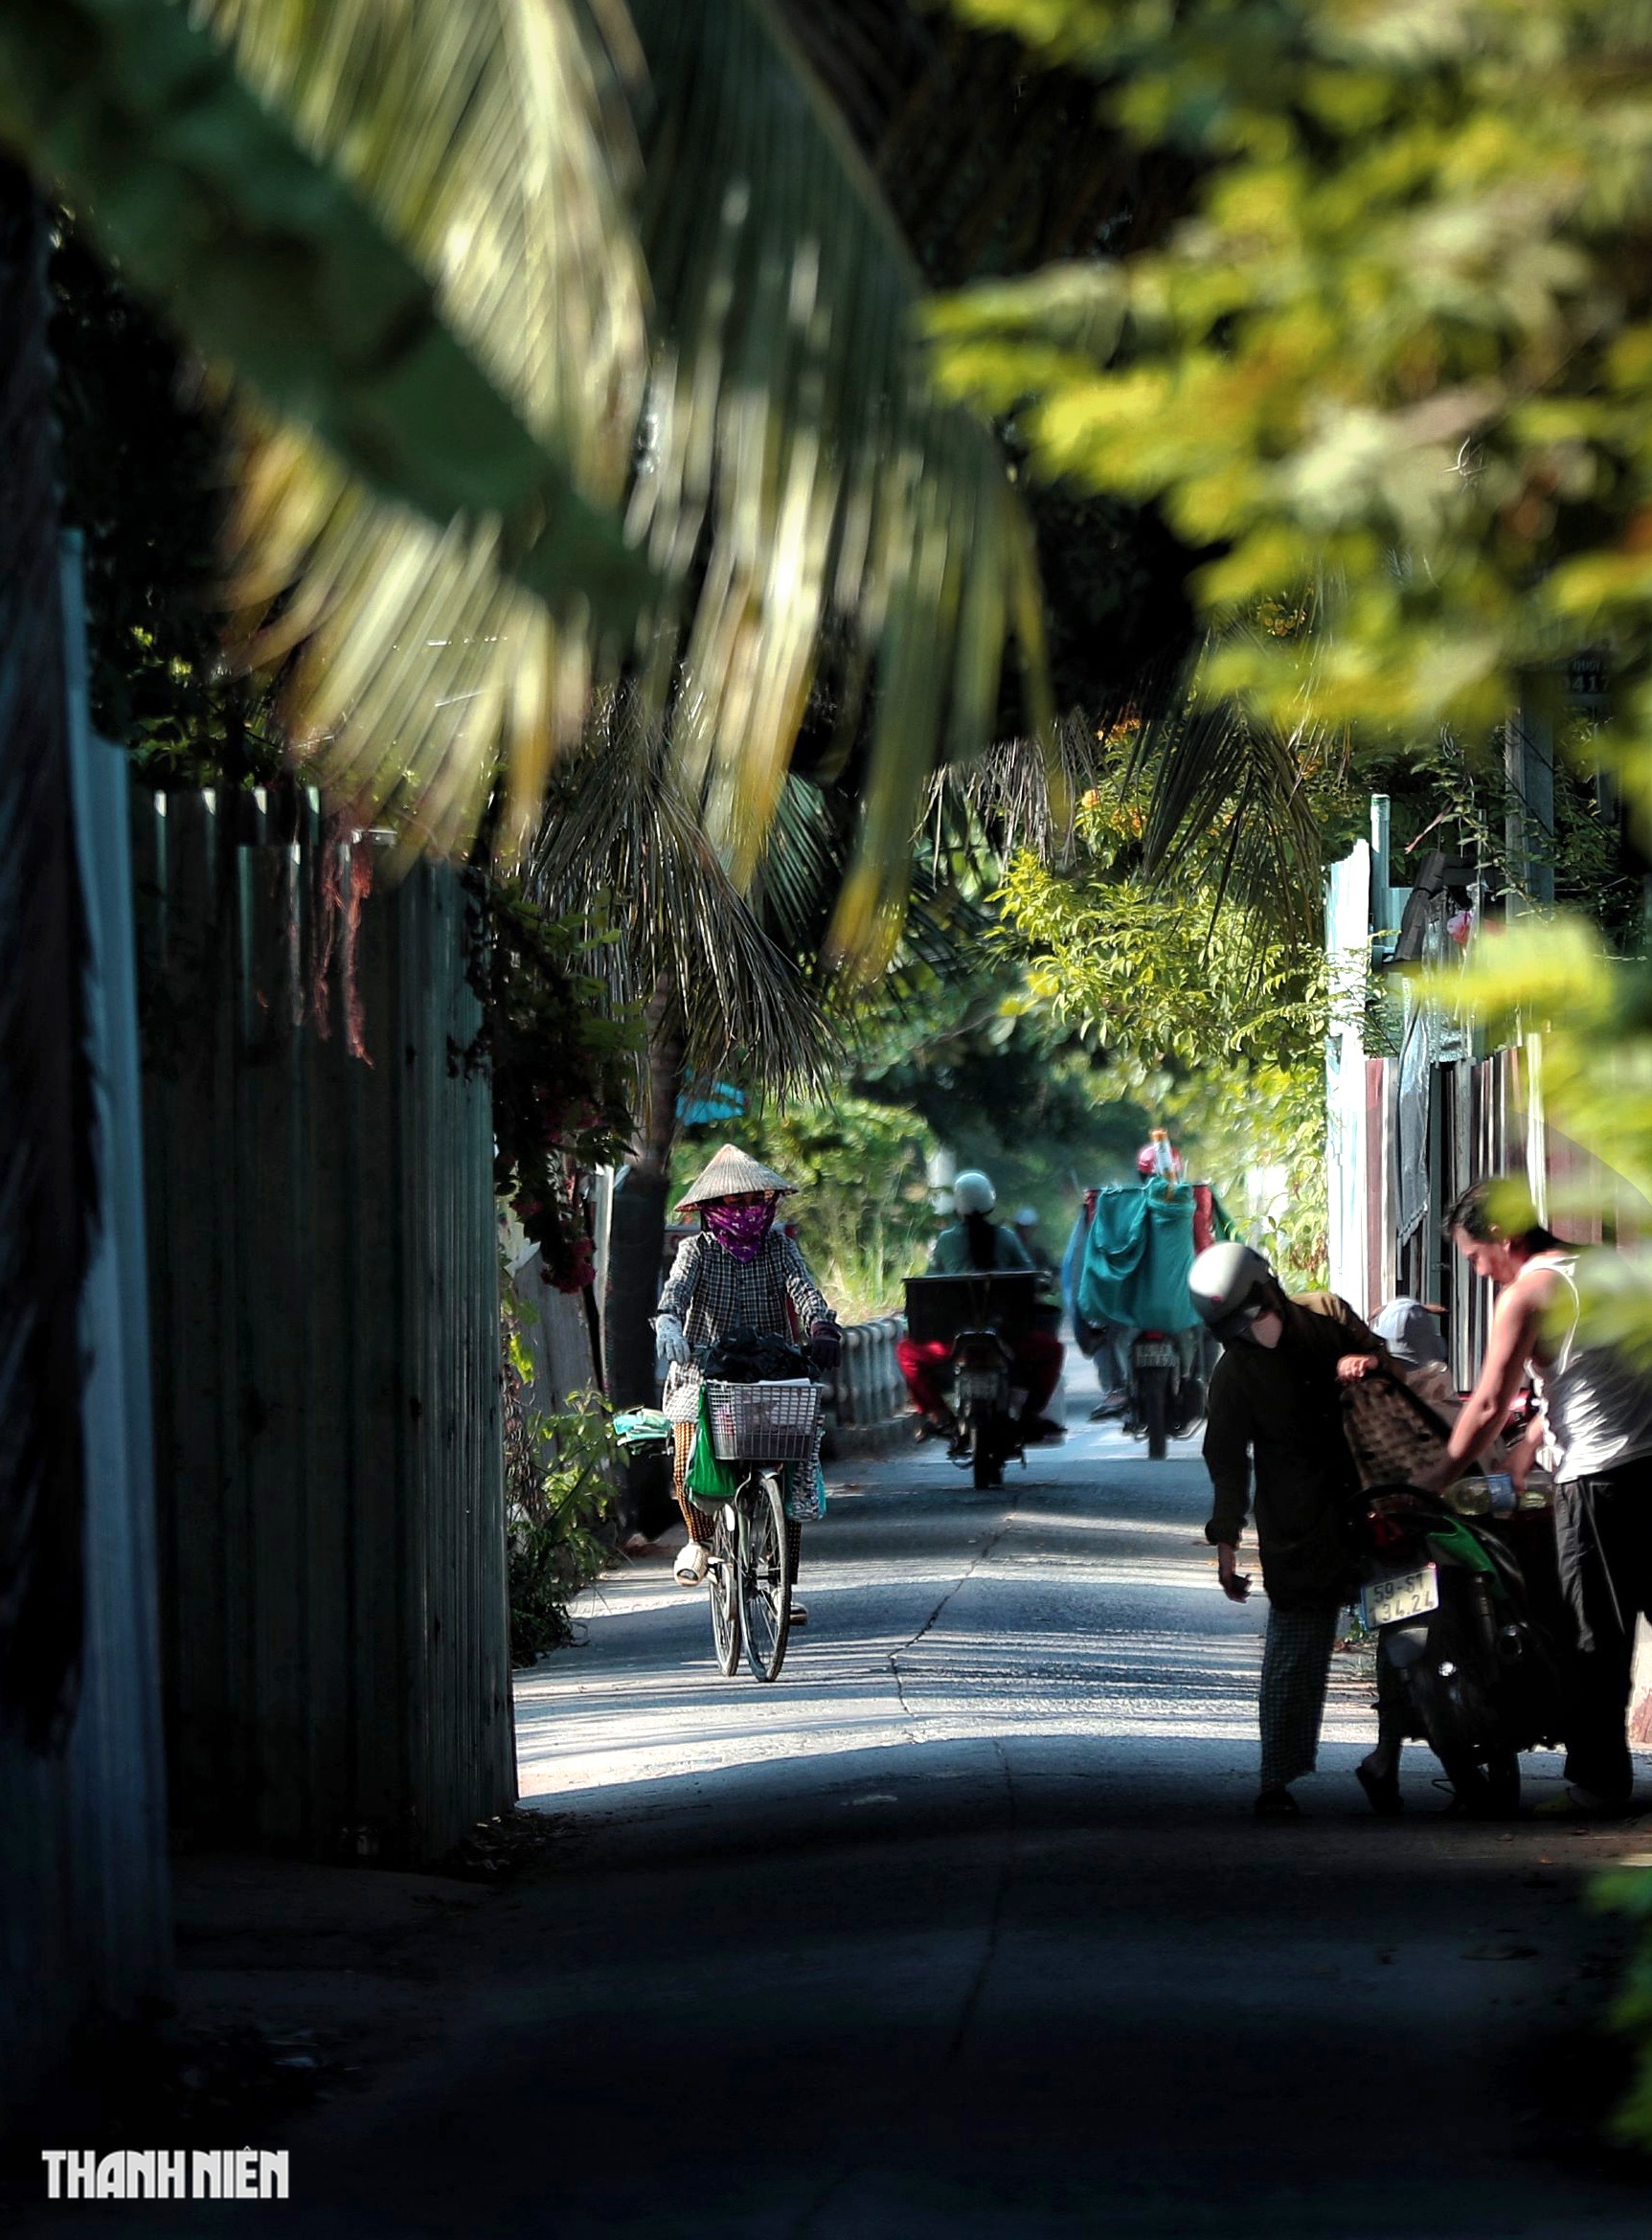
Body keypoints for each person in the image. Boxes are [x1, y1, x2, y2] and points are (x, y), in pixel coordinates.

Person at [1415, 1177, 1652, 1815]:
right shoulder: (1610, 1269)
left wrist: (1432, 1479)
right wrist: (1526, 1450)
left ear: (1501, 1236)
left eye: (1473, 1258)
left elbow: (1490, 1403)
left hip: (1599, 1482)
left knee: (1594, 1637)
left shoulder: (1528, 1292)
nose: (1479, 1272)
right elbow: (1599, 1374)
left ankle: (1600, 1783)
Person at [1191, 1240, 1390, 1820]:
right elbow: (1227, 1466)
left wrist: (1367, 1364)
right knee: (1294, 1652)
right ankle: (1276, 1779)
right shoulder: (1234, 1378)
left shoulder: (1327, 1314)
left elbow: (1384, 1359)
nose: (1250, 1334)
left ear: (1269, 1293)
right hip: (1300, 1524)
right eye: (1233, 1330)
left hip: (1378, 1498)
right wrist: (1226, 1548)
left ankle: (1392, 1755)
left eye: (1253, 1318)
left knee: (1408, 1630)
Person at [654, 1144, 842, 1618]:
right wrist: (669, 1325)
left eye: (753, 1201)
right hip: (703, 1372)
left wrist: (820, 1326)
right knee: (684, 1463)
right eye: (733, 1204)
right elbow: (675, 1294)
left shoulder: (780, 1247)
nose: (744, 1212)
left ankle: (782, 1583)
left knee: (793, 1468)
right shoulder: (695, 1251)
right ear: (711, 1209)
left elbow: (805, 1291)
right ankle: (699, 1541)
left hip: (770, 1371)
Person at [897, 1169, 1066, 1441]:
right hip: (1009, 1338)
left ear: (958, 1204)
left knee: (906, 1352)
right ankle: (1030, 1416)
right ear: (990, 1201)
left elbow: (930, 1282)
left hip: (950, 1342)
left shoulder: (946, 1241)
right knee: (1053, 1351)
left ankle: (938, 1414)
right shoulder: (1007, 1238)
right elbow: (1029, 1278)